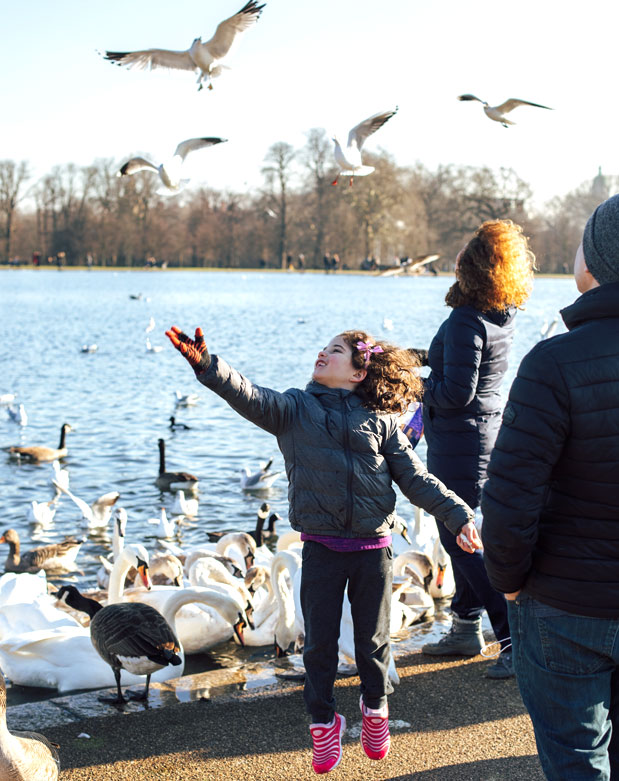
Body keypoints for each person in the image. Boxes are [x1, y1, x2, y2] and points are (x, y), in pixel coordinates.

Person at [166, 325, 474, 775]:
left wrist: (458, 515)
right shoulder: (294, 409)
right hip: (321, 549)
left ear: (358, 372)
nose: (322, 353)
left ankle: (375, 708)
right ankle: (323, 722)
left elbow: (415, 478)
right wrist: (208, 366)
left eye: (335, 350)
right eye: (324, 348)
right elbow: (247, 394)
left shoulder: (382, 421)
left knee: (372, 643)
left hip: (373, 550)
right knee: (319, 647)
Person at [481, 195, 619, 779]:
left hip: (565, 603)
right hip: (570, 597)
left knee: (576, 761)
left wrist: (508, 583)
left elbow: (510, 495)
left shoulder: (554, 362)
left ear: (597, 259)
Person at [415, 219, 535, 679]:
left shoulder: (466, 319)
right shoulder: (500, 313)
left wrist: (413, 386)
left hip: (459, 443)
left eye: (465, 253)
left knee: (458, 537)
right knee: (467, 532)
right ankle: (466, 626)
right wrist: (412, 358)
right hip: (483, 437)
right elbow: (462, 364)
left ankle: (512, 640)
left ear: (473, 267)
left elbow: (455, 392)